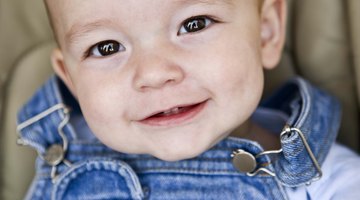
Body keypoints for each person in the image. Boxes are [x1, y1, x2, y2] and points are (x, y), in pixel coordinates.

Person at [16, 0, 360, 199]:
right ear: (71, 79)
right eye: (107, 48)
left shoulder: (326, 181)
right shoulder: (63, 165)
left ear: (266, 32)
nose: (153, 73)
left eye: (194, 24)